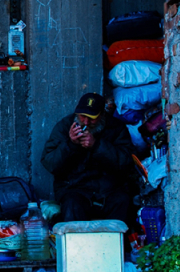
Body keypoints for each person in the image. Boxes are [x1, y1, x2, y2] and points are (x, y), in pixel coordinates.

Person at [41, 92, 135, 224]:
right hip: (75, 189)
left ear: (102, 114)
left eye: (92, 118)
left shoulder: (116, 128)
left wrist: (97, 146)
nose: (86, 122)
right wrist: (70, 144)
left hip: (109, 190)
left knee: (123, 203)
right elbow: (50, 163)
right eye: (82, 116)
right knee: (72, 205)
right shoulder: (64, 126)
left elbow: (127, 162)